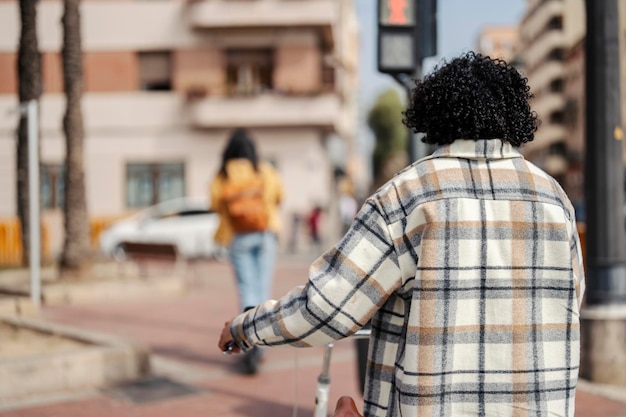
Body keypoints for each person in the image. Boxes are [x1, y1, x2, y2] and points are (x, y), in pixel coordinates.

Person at [218, 52, 585, 416]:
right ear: (515, 115)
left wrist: (245, 328)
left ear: (435, 114)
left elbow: (327, 308)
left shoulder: (407, 194)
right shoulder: (554, 198)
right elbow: (571, 299)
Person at [211, 128, 283, 374]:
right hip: (265, 234)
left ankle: (249, 346)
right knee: (263, 292)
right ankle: (261, 344)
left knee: (247, 291)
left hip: (238, 237)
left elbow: (214, 203)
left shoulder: (223, 175)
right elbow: (280, 195)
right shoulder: (263, 170)